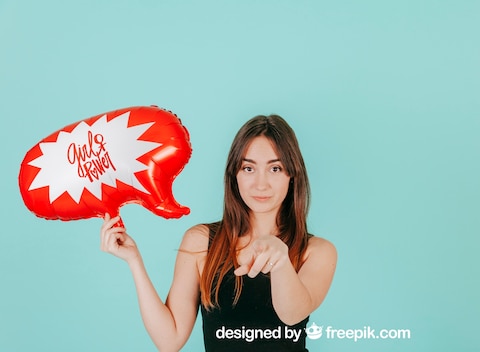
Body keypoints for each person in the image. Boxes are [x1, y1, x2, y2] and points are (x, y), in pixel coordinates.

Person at [100, 114, 337, 351]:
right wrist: (134, 262)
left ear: (292, 175)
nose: (261, 184)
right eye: (248, 168)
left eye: (275, 168)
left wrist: (281, 260)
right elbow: (169, 340)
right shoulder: (200, 242)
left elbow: (292, 314)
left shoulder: (317, 252)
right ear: (234, 174)